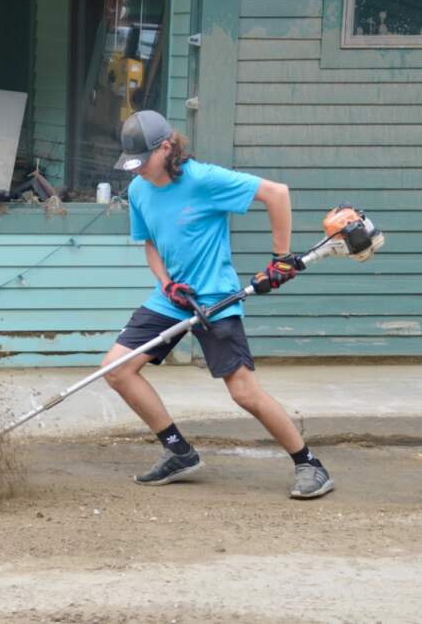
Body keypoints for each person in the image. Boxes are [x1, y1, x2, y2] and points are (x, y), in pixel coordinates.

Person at [102, 109, 334, 500]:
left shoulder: (203, 179)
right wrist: (166, 282)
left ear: (166, 147)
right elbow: (151, 244)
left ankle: (309, 464)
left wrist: (280, 257)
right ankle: (179, 452)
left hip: (216, 298)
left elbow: (276, 193)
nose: (137, 171)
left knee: (243, 392)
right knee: (116, 369)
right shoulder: (140, 191)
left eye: (143, 161)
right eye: (132, 164)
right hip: (173, 299)